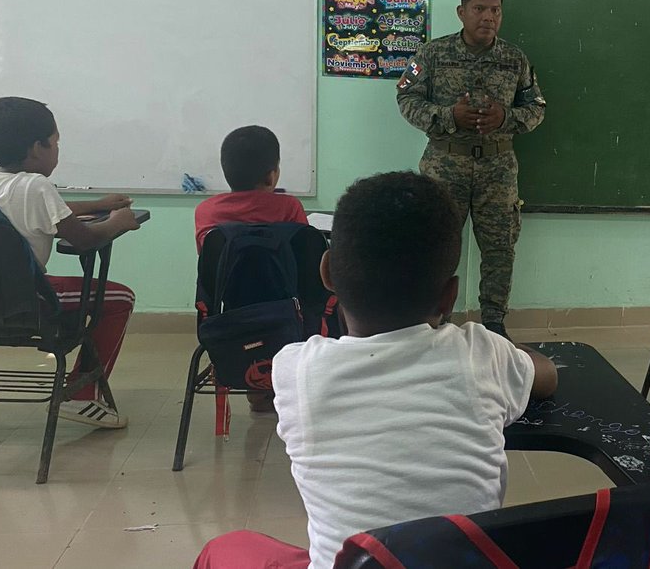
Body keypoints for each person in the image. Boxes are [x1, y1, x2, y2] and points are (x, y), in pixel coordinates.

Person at [194, 172, 558, 569]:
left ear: (327, 273)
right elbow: (548, 375)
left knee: (227, 548)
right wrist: (506, 349)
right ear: (449, 295)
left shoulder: (295, 370)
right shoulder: (481, 354)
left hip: (359, 563)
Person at [0, 97, 141, 427]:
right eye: (56, 143)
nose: (57, 150)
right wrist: (118, 220)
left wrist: (97, 203)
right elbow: (83, 238)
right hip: (27, 300)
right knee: (119, 298)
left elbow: (40, 208)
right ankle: (81, 396)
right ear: (38, 148)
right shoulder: (37, 187)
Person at [396, 0, 546, 340]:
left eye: (495, 10)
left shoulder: (515, 59)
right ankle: (431, 323)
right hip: (444, 167)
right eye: (479, 9)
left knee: (499, 249)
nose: (488, 17)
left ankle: (494, 325)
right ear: (462, 12)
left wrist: (506, 118)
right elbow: (406, 99)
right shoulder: (433, 54)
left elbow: (537, 107)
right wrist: (449, 117)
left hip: (498, 170)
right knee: (436, 246)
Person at [194, 125, 308, 413]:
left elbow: (210, 262)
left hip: (228, 314)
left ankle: (255, 388)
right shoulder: (289, 207)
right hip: (288, 313)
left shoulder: (207, 211)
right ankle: (279, 389)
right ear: (273, 175)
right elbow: (303, 264)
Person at [193, 125, 307, 252]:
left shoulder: (206, 211)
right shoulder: (289, 207)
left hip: (224, 273)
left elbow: (207, 262)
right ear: (270, 176)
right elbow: (305, 254)